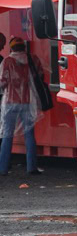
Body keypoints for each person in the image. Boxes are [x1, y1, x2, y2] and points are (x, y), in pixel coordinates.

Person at [0, 37, 41, 176]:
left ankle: (2, 168)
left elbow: (2, 82)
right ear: (24, 47)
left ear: (11, 48)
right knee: (29, 135)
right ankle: (31, 167)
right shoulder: (33, 60)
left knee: (7, 135)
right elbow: (40, 76)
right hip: (28, 102)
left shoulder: (7, 61)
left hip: (10, 102)